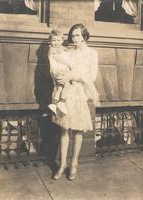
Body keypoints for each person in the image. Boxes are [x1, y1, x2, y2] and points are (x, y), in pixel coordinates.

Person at [51, 24, 99, 181]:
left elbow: (91, 77)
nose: (75, 39)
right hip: (67, 92)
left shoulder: (92, 53)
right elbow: (60, 67)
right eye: (73, 36)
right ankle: (62, 164)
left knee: (77, 130)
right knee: (64, 129)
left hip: (79, 93)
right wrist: (59, 76)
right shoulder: (68, 52)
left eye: (78, 35)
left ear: (85, 36)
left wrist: (72, 77)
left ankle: (74, 164)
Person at [47, 29, 73, 116]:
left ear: (62, 40)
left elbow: (66, 52)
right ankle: (62, 102)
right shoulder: (52, 49)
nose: (56, 42)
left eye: (58, 40)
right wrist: (70, 64)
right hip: (58, 71)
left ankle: (54, 104)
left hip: (59, 71)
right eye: (54, 40)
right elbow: (59, 59)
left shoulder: (62, 49)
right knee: (67, 85)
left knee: (60, 87)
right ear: (50, 41)